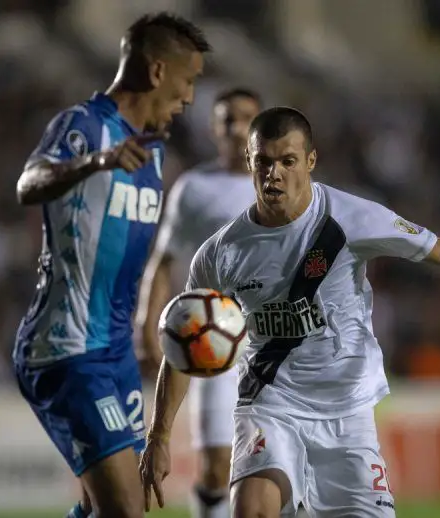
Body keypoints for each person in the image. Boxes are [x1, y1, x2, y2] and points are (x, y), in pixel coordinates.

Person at [139, 106, 440, 517]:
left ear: (310, 161)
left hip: (346, 414)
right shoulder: (220, 252)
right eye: (263, 162)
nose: (273, 174)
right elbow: (186, 344)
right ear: (250, 162)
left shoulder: (350, 218)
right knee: (251, 509)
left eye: (287, 161)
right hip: (269, 405)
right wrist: (159, 435)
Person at [13, 13, 210, 518]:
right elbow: (28, 183)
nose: (190, 98)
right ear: (159, 72)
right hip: (68, 348)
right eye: (188, 81)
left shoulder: (153, 150)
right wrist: (93, 164)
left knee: (117, 506)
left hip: (114, 350)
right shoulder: (84, 125)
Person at [135, 87, 261, 518]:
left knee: (272, 468)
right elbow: (163, 259)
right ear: (214, 127)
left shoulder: (285, 187)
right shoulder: (194, 187)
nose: (235, 127)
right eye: (227, 118)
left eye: (245, 117)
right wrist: (145, 325)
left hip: (273, 341)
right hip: (214, 337)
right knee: (215, 467)